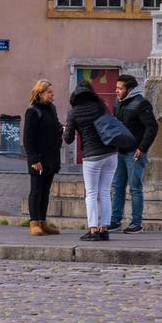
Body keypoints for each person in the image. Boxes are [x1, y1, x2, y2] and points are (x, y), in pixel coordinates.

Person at [61, 80, 115, 242]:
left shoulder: (74, 112)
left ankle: (92, 230)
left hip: (92, 156)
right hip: (111, 153)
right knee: (105, 192)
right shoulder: (101, 106)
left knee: (91, 193)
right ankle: (104, 229)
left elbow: (69, 139)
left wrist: (65, 129)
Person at [107, 73, 159, 234]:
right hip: (120, 151)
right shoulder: (118, 102)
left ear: (129, 89)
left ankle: (136, 223)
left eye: (120, 88)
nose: (116, 91)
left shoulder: (141, 104)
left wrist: (142, 148)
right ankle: (115, 221)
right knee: (117, 186)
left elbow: (152, 127)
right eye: (116, 87)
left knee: (135, 188)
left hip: (135, 153)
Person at [21, 80, 62, 237]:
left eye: (52, 92)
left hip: (51, 156)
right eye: (49, 92)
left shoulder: (51, 108)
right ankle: (34, 222)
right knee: (36, 190)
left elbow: (55, 125)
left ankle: (43, 222)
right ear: (40, 94)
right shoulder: (32, 111)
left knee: (45, 191)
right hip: (38, 158)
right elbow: (28, 139)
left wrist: (62, 129)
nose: (52, 95)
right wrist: (34, 160)